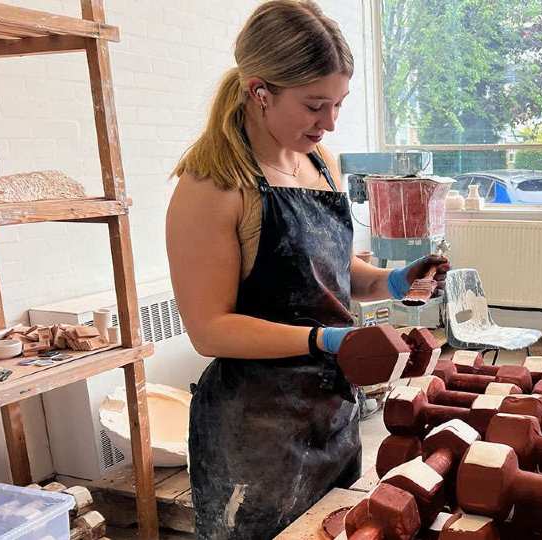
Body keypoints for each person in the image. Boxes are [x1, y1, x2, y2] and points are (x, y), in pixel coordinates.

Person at [165, 2, 448, 537]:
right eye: (316, 105)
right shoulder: (213, 186)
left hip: (331, 413)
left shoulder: (322, 164)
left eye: (339, 103)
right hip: (255, 430)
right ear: (259, 91)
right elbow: (208, 330)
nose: (331, 122)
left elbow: (329, 276)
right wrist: (326, 339)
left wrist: (388, 281)